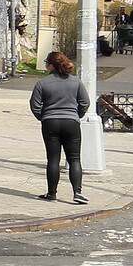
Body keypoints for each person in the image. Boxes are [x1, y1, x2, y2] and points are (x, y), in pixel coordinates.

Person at [29, 50, 92, 205]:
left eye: (46, 62)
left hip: (50, 122)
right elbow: (85, 102)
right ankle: (77, 192)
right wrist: (76, 115)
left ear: (51, 65)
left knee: (53, 159)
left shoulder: (42, 83)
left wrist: (43, 117)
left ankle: (52, 193)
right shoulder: (75, 82)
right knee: (74, 159)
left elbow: (35, 105)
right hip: (71, 122)